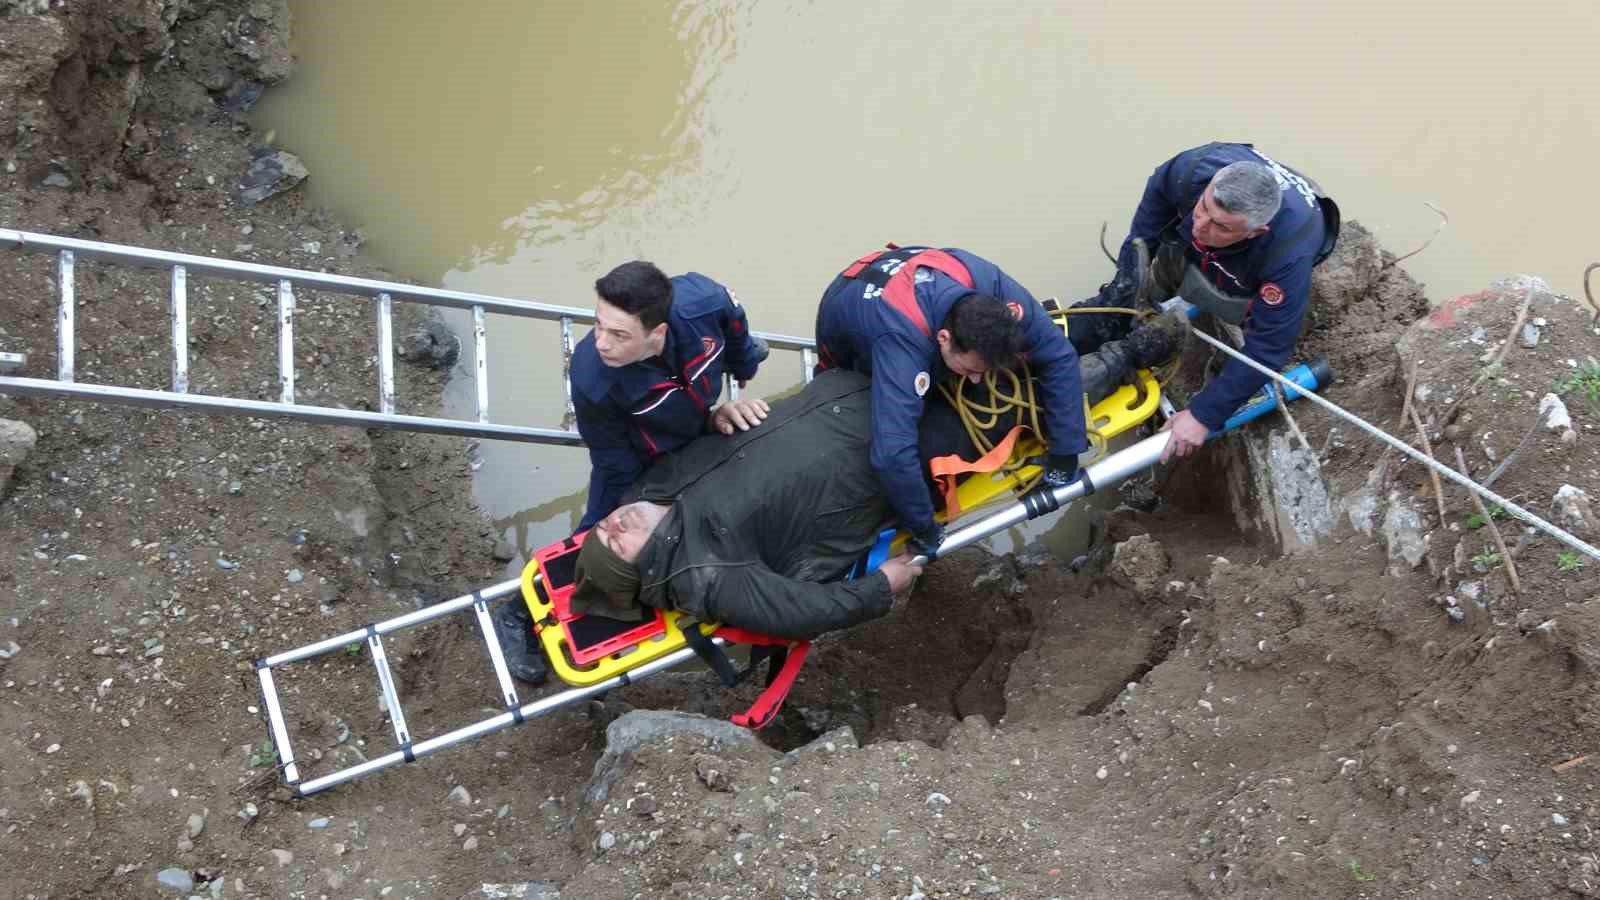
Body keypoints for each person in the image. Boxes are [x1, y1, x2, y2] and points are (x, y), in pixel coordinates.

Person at [492, 260, 770, 684]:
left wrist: (744, 361)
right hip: (636, 451)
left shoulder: (704, 303)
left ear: (656, 333)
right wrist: (640, 504)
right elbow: (612, 459)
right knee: (598, 530)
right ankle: (517, 614)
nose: (601, 342)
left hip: (693, 422)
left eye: (619, 334)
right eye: (598, 325)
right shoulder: (592, 376)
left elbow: (733, 322)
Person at [569, 369, 924, 640]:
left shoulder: (650, 485)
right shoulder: (708, 576)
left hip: (850, 388)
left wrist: (717, 417)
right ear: (641, 567)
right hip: (898, 450)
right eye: (617, 544)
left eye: (604, 526)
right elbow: (801, 613)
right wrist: (881, 586)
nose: (616, 525)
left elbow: (692, 435)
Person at [812, 245, 1091, 558]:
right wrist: (924, 527)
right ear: (943, 339)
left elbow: (1059, 355)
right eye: (970, 370)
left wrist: (1065, 455)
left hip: (909, 280)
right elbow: (891, 455)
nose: (974, 380)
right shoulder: (902, 341)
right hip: (848, 313)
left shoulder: (993, 289)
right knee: (880, 410)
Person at [1071, 142, 1340, 462]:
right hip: (1244, 191)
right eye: (1203, 209)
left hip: (1291, 231)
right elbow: (1150, 217)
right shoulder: (1192, 170)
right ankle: (1156, 293)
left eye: (1220, 226)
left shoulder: (1287, 258)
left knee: (1223, 294)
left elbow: (1269, 348)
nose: (1201, 225)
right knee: (1166, 252)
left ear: (1256, 232)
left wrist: (1203, 416)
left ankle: (1220, 292)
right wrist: (1128, 281)